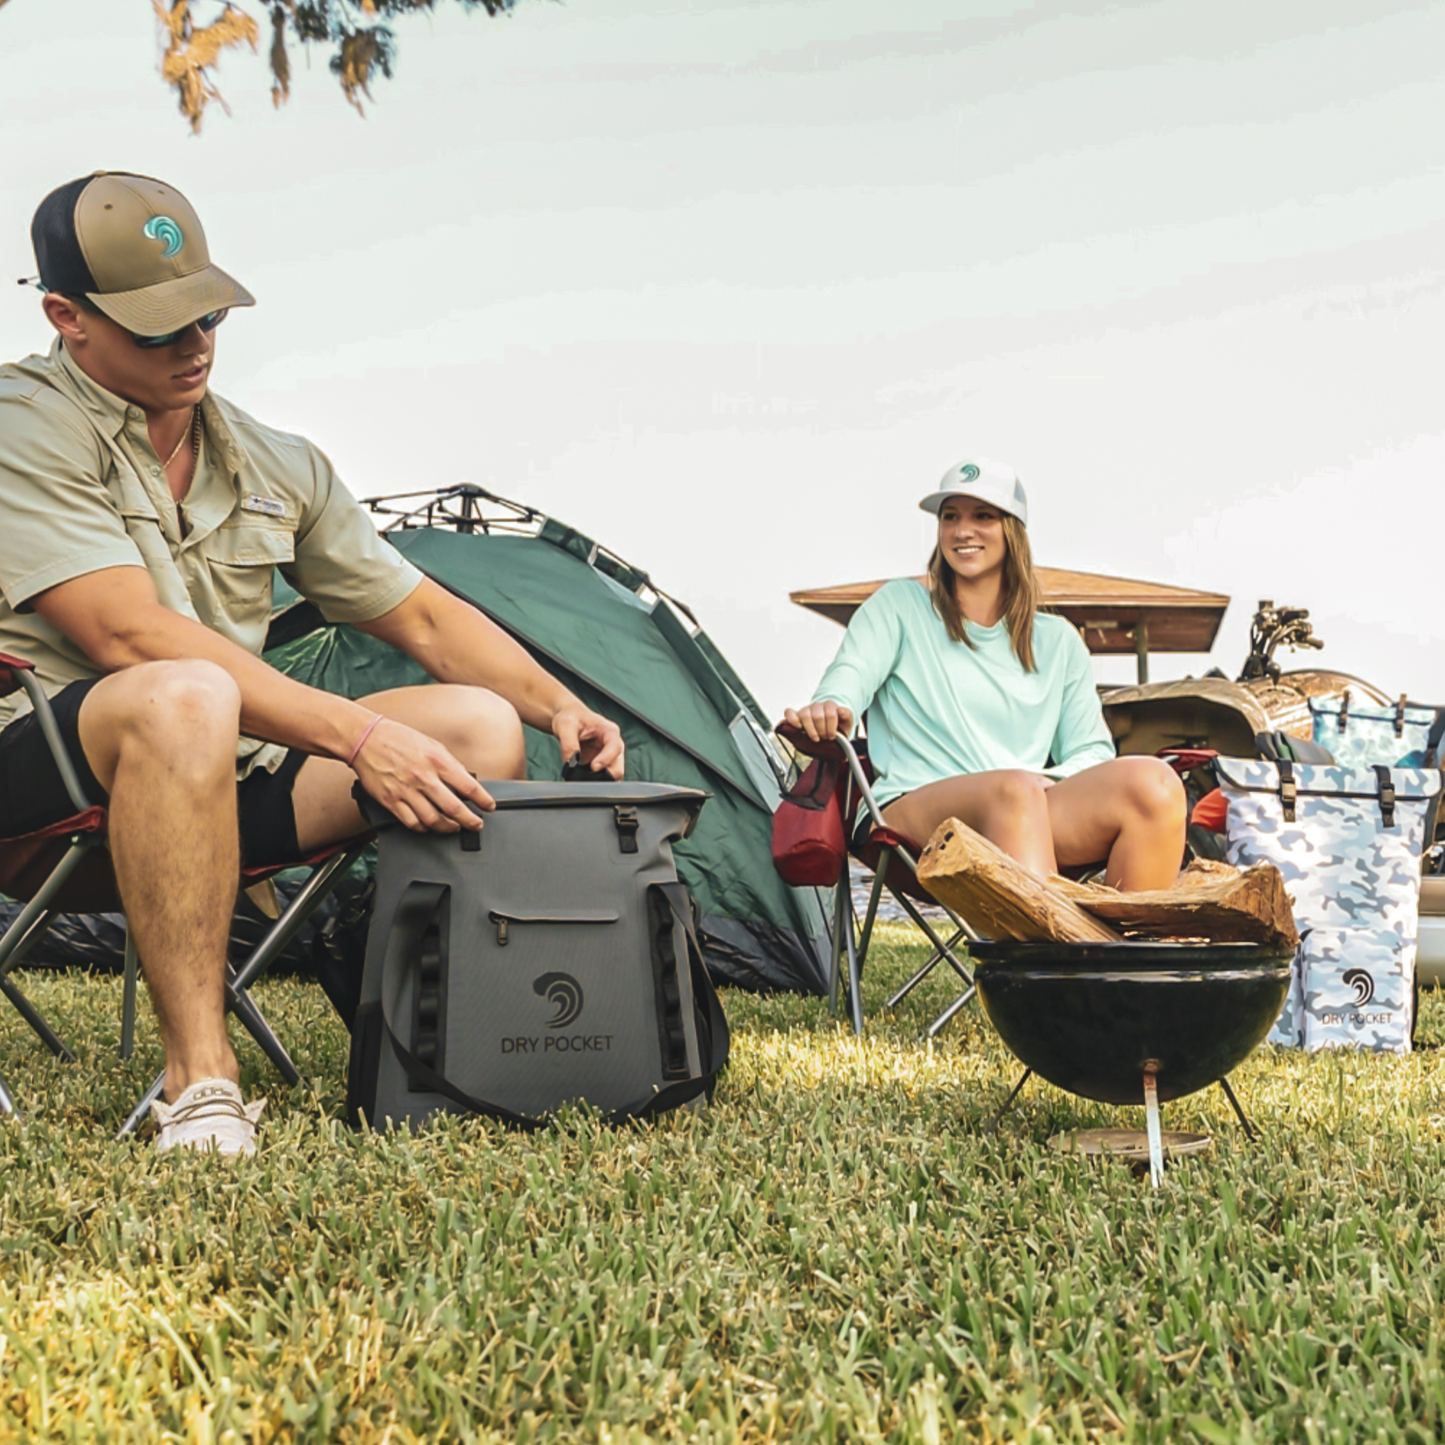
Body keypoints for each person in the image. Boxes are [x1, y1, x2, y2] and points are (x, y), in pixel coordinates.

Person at [0, 171, 625, 1157]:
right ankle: (200, 1083)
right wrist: (361, 733)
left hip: (218, 778)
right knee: (183, 690)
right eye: (157, 327)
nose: (194, 343)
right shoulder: (19, 422)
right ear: (66, 317)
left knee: (474, 726)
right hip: (37, 791)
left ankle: (426, 1020)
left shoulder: (269, 457)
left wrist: (558, 704)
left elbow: (416, 609)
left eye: (205, 313)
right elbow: (125, 634)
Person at [784, 458, 1186, 892]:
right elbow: (850, 674)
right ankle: (1044, 959)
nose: (962, 530)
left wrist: (1041, 784)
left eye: (983, 516)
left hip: (1030, 805)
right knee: (1012, 793)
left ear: (1012, 529)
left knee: (1155, 784)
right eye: (950, 517)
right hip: (913, 812)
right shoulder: (899, 606)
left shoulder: (1058, 641)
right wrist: (832, 704)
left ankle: (1127, 957)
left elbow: (1090, 751)